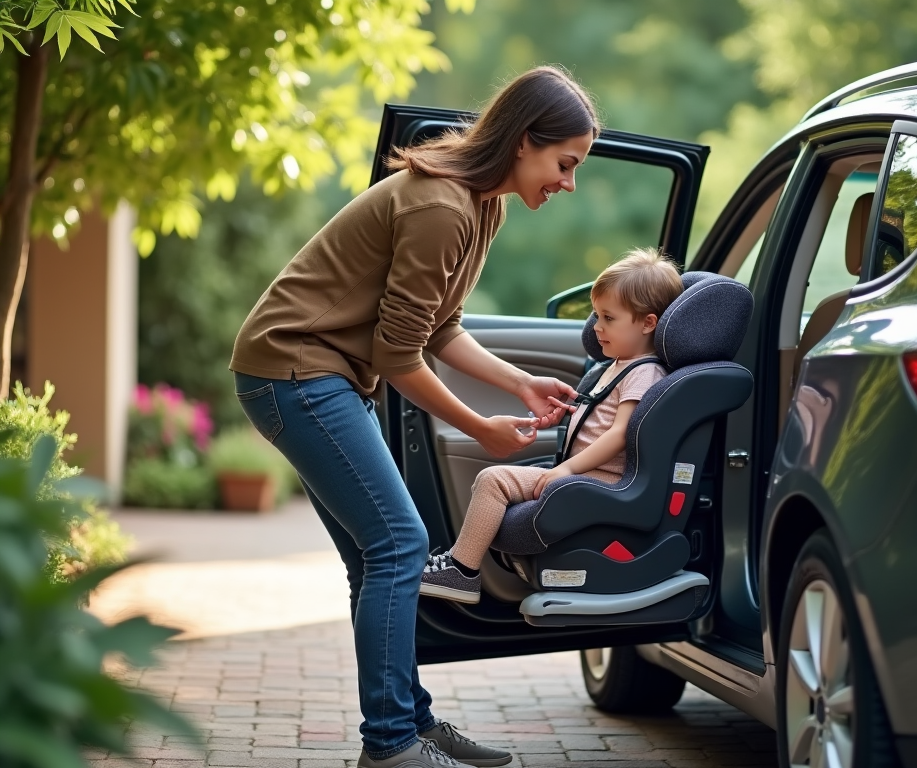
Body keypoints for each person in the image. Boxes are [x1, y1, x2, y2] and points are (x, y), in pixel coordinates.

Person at [229, 66, 599, 768]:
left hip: (320, 372)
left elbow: (442, 328)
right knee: (400, 544)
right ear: (525, 142)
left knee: (375, 557)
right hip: (295, 369)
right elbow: (398, 358)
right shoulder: (442, 208)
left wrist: (519, 382)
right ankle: (392, 745)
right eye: (565, 163)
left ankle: (410, 723)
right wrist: (481, 429)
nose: (568, 181)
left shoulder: (482, 205)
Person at [420, 248, 683, 604]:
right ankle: (460, 566)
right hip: (587, 472)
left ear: (648, 323)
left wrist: (568, 469)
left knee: (492, 479)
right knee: (497, 481)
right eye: (595, 315)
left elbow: (621, 433)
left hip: (604, 479)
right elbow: (599, 420)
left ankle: (462, 571)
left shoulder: (645, 371)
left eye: (608, 318)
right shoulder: (616, 364)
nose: (597, 327)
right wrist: (565, 416)